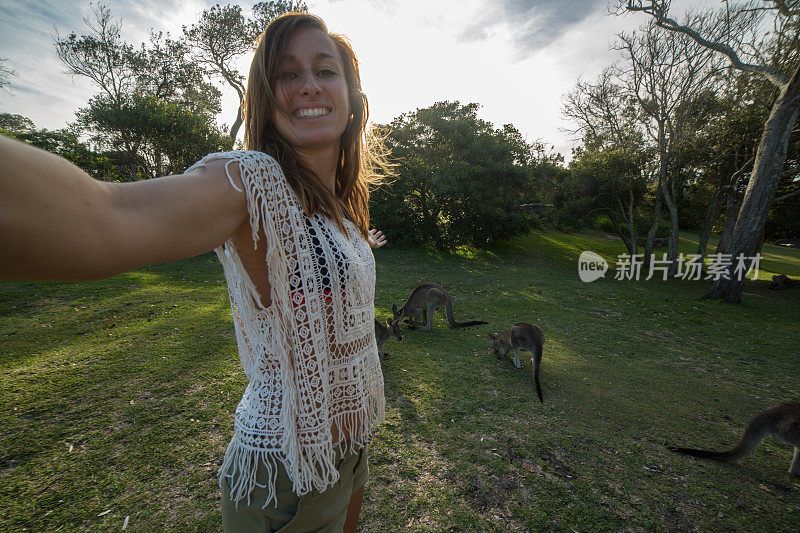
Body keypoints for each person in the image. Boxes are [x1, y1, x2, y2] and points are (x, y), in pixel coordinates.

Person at [0, 12, 390, 532]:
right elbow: (104, 218)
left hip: (349, 455)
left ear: (352, 97)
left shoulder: (337, 206)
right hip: (284, 477)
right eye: (286, 74)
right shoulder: (252, 183)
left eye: (325, 70)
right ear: (264, 99)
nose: (308, 86)